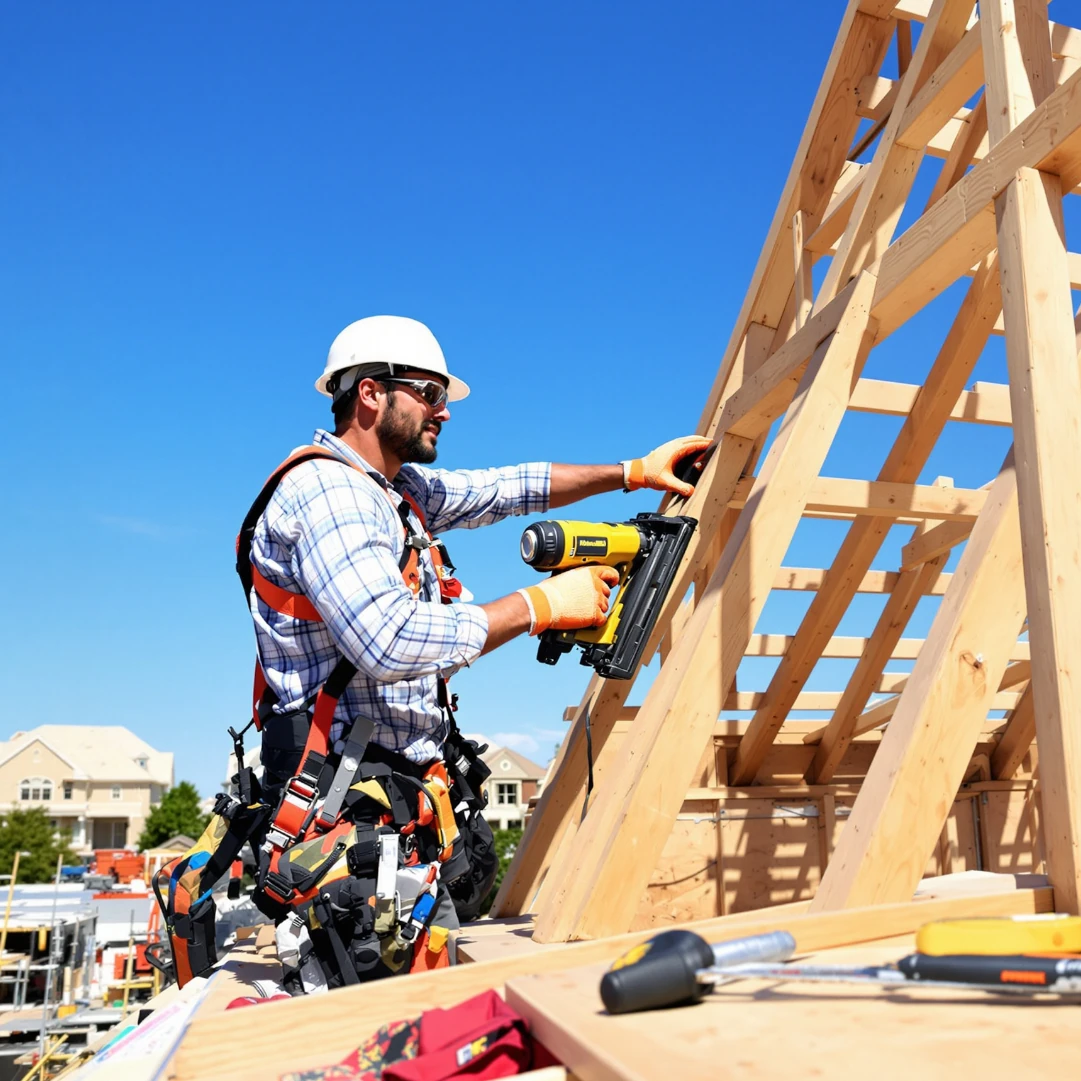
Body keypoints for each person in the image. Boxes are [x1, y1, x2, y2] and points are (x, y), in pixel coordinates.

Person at [240, 314, 709, 988]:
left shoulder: (393, 491)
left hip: (395, 805)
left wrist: (632, 472)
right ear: (370, 394)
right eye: (430, 393)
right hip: (344, 812)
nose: (444, 411)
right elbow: (389, 639)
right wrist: (539, 606)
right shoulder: (330, 493)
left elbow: (504, 488)